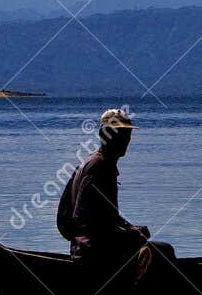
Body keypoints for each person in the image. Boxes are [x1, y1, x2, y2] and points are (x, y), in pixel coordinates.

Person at [56, 107, 174, 279]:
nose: (125, 140)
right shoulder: (99, 167)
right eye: (119, 134)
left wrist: (129, 228)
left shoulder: (98, 164)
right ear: (105, 135)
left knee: (154, 246)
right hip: (93, 252)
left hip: (95, 246)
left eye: (127, 134)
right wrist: (129, 235)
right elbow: (86, 219)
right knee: (163, 251)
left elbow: (106, 214)